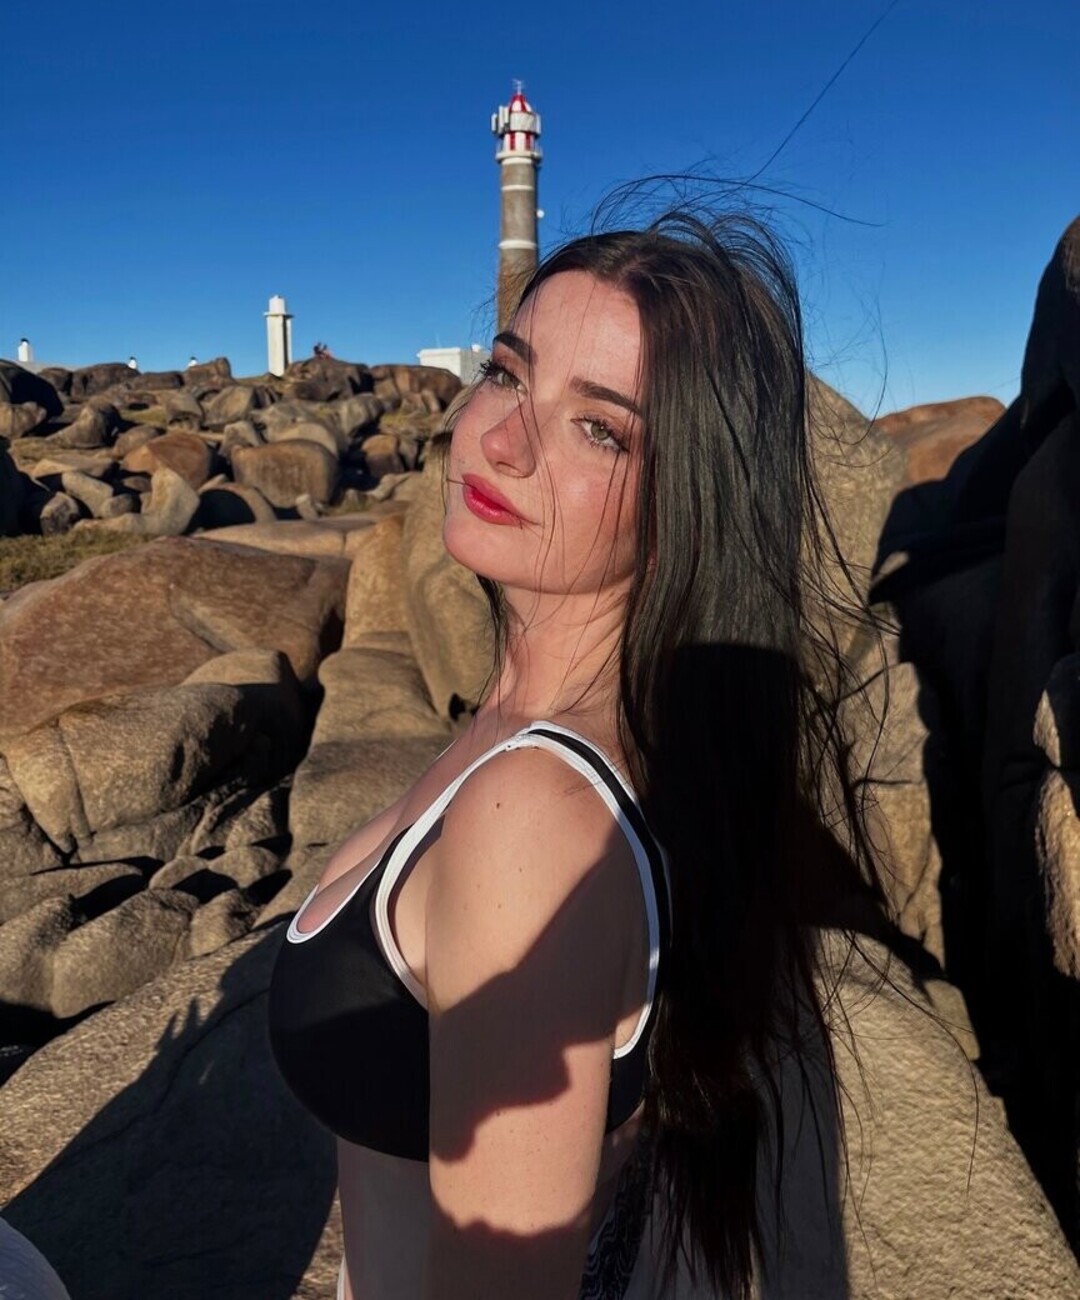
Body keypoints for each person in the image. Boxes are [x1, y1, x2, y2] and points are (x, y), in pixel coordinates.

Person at [268, 207, 878, 1299]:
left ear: (692, 495)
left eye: (601, 429)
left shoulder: (534, 815)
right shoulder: (555, 731)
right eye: (508, 373)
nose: (501, 440)